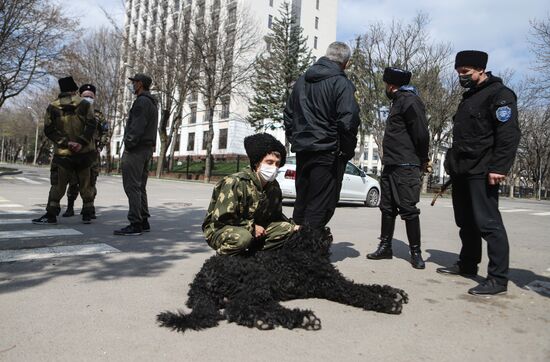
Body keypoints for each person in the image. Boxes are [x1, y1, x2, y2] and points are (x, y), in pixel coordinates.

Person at [438, 50, 521, 295]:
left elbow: (508, 134)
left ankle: (497, 279)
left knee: (488, 224)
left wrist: (499, 167)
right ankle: (467, 263)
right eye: (458, 72)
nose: (461, 77)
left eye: (466, 72)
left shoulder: (500, 95)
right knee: (465, 222)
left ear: (481, 70)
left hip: (483, 169)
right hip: (462, 169)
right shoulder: (469, 97)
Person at [283, 41, 360, 231]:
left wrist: (297, 139)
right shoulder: (342, 83)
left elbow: (288, 115)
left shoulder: (302, 80)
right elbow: (348, 120)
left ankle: (293, 247)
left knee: (302, 201)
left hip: (304, 150)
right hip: (327, 151)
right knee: (320, 205)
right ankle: (308, 253)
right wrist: (346, 151)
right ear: (346, 63)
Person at [366, 67, 430, 269]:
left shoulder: (409, 101)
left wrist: (423, 159)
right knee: (387, 207)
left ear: (391, 86)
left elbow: (421, 133)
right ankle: (385, 247)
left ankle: (416, 252)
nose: (385, 87)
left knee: (408, 209)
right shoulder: (397, 102)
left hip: (406, 165)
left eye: (386, 84)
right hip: (391, 164)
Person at [202, 133, 298, 255]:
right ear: (257, 163)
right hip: (221, 230)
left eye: (277, 164)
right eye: (269, 162)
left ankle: (254, 257)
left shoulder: (274, 186)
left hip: (256, 230)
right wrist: (252, 227)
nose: (274, 167)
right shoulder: (235, 182)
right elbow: (222, 219)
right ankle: (222, 262)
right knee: (243, 238)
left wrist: (294, 227)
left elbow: (276, 217)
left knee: (287, 229)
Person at [32, 76, 97, 225]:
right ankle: (87, 213)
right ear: (74, 90)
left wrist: (66, 143)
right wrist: (81, 143)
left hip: (63, 154)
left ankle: (51, 215)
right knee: (86, 184)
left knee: (58, 185)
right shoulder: (85, 104)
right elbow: (91, 125)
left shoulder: (53, 106)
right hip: (84, 153)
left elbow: (49, 130)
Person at [114, 73, 158, 236]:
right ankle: (143, 220)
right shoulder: (152, 102)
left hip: (136, 149)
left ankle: (135, 223)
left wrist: (129, 144)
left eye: (134, 83)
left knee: (132, 186)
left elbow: (137, 126)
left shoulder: (141, 102)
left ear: (140, 84)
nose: (132, 85)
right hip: (146, 149)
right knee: (140, 186)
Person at [63, 84, 109, 219]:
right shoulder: (73, 111)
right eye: (85, 96)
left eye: (90, 96)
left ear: (94, 98)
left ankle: (88, 208)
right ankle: (70, 207)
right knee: (73, 181)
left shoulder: (98, 115)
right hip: (75, 152)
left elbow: (105, 132)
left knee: (91, 181)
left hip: (92, 153)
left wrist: (100, 146)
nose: (88, 98)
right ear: (79, 96)